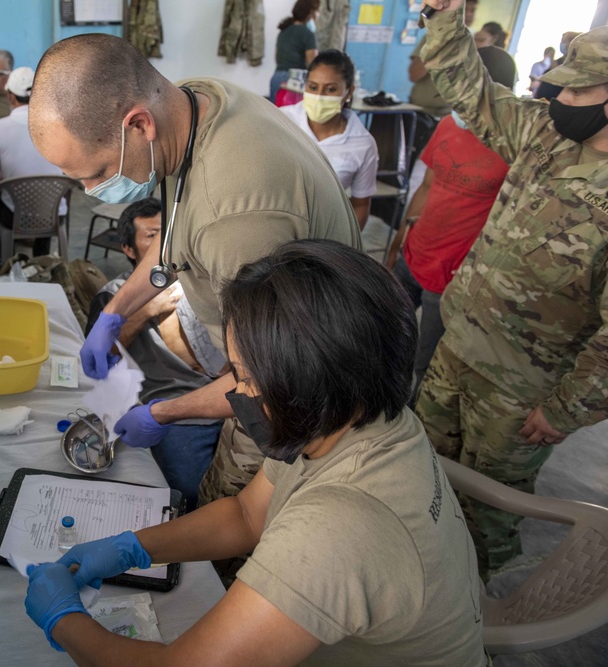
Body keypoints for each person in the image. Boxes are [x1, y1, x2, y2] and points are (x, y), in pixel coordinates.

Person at [24, 241, 487, 666]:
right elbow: (246, 516)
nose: (236, 393)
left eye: (243, 377)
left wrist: (64, 620)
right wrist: (135, 547)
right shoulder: (351, 415)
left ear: (301, 386)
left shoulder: (338, 529)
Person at [28, 34, 360, 544]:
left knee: (235, 524)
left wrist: (163, 411)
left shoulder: (238, 220)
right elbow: (176, 235)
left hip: (307, 385)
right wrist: (113, 313)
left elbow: (270, 384)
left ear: (138, 124)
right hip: (268, 346)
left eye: (97, 173)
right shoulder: (191, 104)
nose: (94, 193)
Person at [417, 1, 608, 578]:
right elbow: (469, 90)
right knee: (419, 479)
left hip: (522, 394)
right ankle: (411, 592)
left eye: (578, 93)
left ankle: (469, 629)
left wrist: (562, 411)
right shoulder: (543, 135)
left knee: (483, 515)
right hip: (457, 351)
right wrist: (446, 17)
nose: (560, 101)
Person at [390, 46, 516, 403]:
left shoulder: (513, 147)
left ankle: (412, 430)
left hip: (453, 275)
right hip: (415, 253)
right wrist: (400, 238)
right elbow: (428, 186)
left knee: (424, 364)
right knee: (382, 336)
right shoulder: (448, 124)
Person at [85, 199, 226, 511]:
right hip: (175, 412)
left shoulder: (202, 282)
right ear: (128, 248)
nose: (163, 244)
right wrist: (144, 309)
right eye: (152, 235)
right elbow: (100, 356)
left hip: (229, 397)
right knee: (187, 492)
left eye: (168, 233)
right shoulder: (114, 296)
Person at [280, 50, 377, 229]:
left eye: (331, 89)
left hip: (325, 234)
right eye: (313, 87)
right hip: (278, 227)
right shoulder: (282, 121)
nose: (319, 96)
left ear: (348, 92)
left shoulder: (362, 143)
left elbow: (361, 204)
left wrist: (347, 246)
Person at [0, 67, 65, 257]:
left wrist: (3, 178)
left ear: (10, 96)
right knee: (49, 197)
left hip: (13, 217)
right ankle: (42, 257)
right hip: (55, 216)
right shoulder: (60, 127)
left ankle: (6, 257)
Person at [409, 0, 477, 116]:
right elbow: (414, 75)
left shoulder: (474, 42)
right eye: (465, 10)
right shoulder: (431, 38)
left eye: (473, 10)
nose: (469, 14)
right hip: (422, 111)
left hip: (453, 115)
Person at [270, 0, 319, 105]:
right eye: (317, 11)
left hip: (276, 78)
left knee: (276, 117)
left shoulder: (284, 30)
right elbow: (313, 65)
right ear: (311, 12)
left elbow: (277, 57)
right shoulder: (307, 34)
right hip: (294, 83)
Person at [534, 32, 583, 101]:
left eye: (564, 41)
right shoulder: (558, 61)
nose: (562, 44)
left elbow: (562, 79)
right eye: (561, 41)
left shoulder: (577, 66)